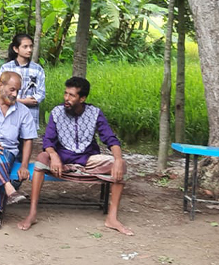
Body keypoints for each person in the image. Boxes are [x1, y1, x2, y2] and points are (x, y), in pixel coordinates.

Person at [17, 77, 134, 236]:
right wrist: (54, 155)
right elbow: (48, 140)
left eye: (72, 95)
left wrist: (119, 159)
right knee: (42, 158)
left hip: (87, 159)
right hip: (61, 159)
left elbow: (110, 139)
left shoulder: (95, 113)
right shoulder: (57, 112)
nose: (66, 98)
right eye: (65, 94)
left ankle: (112, 218)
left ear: (82, 98)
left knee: (119, 166)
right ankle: (32, 213)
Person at [0, 71, 36, 231]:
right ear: (0, 85)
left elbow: (28, 139)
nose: (15, 94)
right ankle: (7, 193)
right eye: (12, 89)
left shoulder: (22, 111)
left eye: (18, 90)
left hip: (7, 152)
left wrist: (24, 165)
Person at [0, 33, 45, 128]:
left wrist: (15, 100)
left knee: (27, 141)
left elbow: (41, 94)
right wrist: (24, 101)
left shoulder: (37, 69)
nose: (29, 50)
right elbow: (0, 92)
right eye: (25, 47)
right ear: (16, 49)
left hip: (30, 116)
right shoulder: (6, 68)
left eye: (31, 46)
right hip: (9, 114)